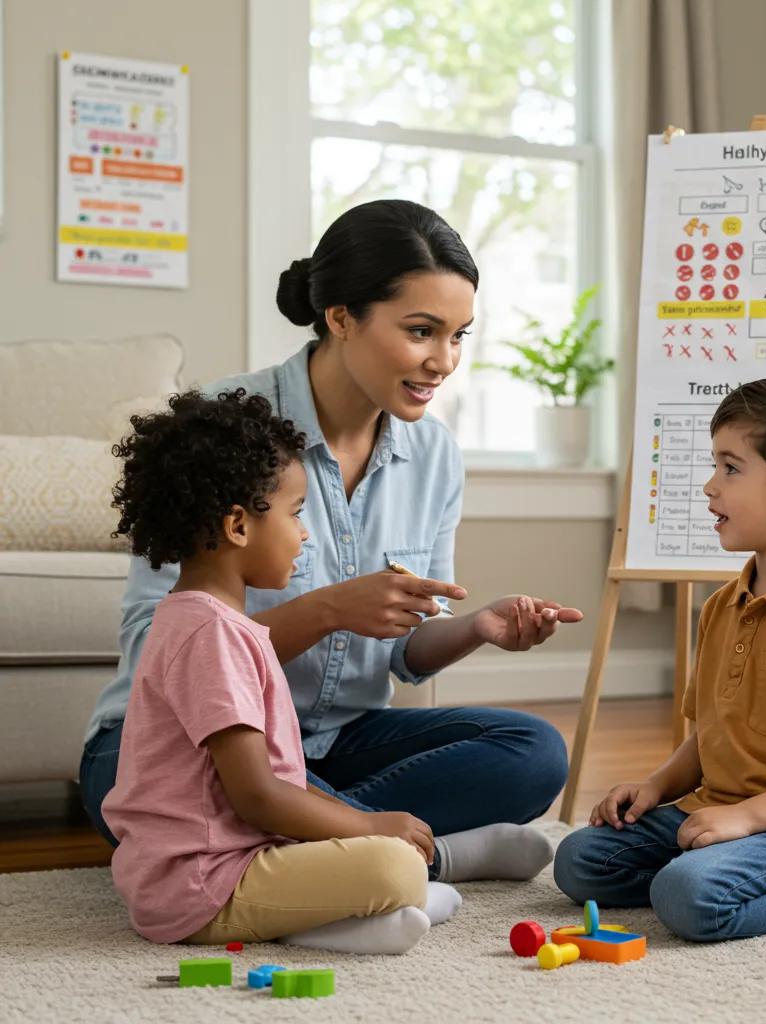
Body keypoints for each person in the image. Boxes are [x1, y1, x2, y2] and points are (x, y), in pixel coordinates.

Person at [82, 200, 581, 886]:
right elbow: (153, 657)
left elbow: (408, 651)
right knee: (172, 789)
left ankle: (294, 842)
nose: (444, 361)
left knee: (534, 752)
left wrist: (478, 628)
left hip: (336, 743)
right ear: (342, 317)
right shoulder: (225, 428)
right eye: (421, 331)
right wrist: (325, 610)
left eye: (459, 335)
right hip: (187, 749)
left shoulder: (433, 454)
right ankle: (417, 852)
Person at [103, 388, 462, 951]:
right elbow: (258, 798)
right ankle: (354, 910)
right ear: (238, 526)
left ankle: (348, 921)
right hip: (200, 887)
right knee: (392, 866)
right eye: (296, 514)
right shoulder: (210, 634)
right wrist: (370, 826)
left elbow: (272, 792)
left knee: (376, 852)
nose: (305, 533)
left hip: (238, 856)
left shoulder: (212, 622)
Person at [554, 373, 766, 942]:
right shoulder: (722, 607)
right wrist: (657, 786)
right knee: (580, 860)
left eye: (731, 468)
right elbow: (710, 733)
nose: (710, 486)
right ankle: (719, 870)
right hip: (717, 808)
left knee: (687, 897)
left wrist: (746, 819)